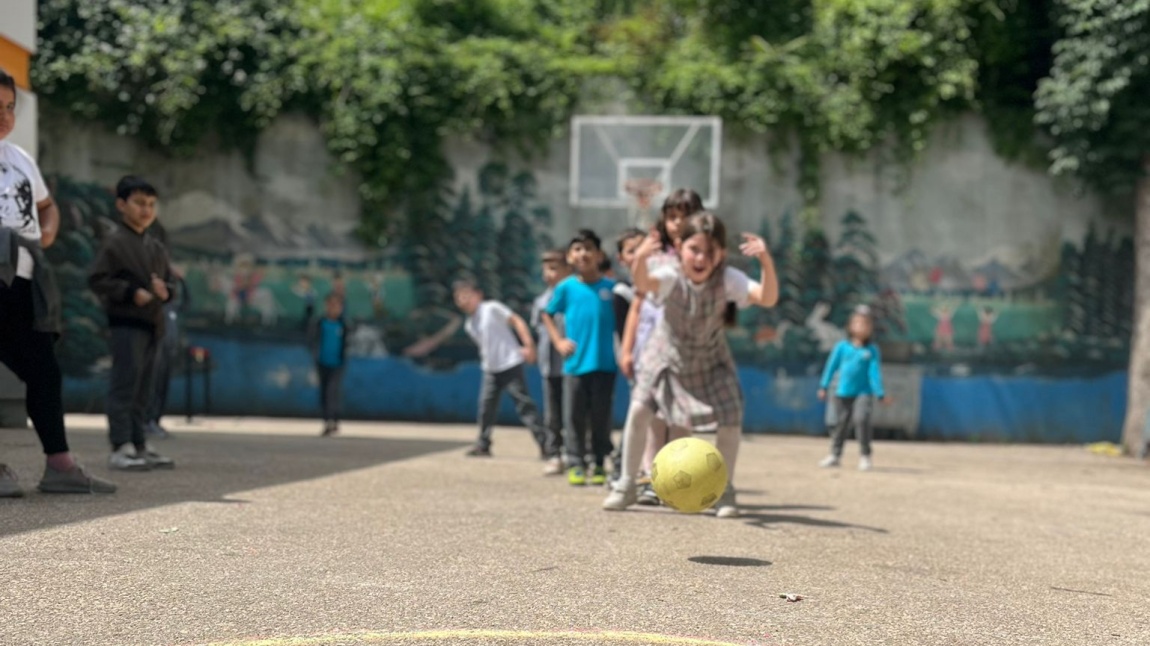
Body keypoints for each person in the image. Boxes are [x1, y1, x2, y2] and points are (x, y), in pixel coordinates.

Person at [603, 213, 778, 517]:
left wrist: (766, 261)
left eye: (710, 252)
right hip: (665, 355)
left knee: (731, 414)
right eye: (694, 249)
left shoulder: (727, 279)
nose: (701, 258)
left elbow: (767, 297)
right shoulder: (670, 274)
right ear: (681, 247)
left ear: (721, 253)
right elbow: (643, 283)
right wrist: (641, 257)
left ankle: (724, 491)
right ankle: (627, 484)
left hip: (709, 359)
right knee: (639, 409)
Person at [0, 68, 117, 496]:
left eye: (10, 107)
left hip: (26, 280)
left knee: (44, 371)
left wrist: (47, 232)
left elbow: (48, 207)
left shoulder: (18, 159)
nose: (5, 117)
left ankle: (60, 465)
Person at [616, 189, 703, 503]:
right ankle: (650, 478)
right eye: (672, 216)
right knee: (652, 416)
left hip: (688, 348)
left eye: (685, 216)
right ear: (664, 220)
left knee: (681, 417)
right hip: (652, 346)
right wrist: (627, 350)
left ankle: (676, 480)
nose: (678, 223)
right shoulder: (655, 257)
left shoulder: (702, 256)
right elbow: (638, 305)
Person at [88, 175, 176, 472]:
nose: (146, 210)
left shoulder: (155, 246)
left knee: (144, 388)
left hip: (153, 325)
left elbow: (170, 284)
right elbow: (98, 279)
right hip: (126, 323)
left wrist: (166, 292)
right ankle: (120, 445)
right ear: (121, 204)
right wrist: (129, 292)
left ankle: (139, 443)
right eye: (139, 203)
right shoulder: (115, 242)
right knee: (125, 384)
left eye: (151, 204)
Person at [542, 229, 619, 486]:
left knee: (600, 417)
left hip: (605, 364)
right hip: (574, 365)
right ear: (569, 256)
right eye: (577, 249)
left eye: (588, 248)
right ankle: (575, 462)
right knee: (573, 417)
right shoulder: (566, 288)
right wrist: (558, 340)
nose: (582, 253)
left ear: (599, 255)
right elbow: (546, 313)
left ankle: (598, 463)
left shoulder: (613, 289)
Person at [454, 279, 546, 458]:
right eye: (458, 298)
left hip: (510, 364)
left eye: (466, 295)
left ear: (478, 295)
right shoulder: (469, 325)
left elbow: (517, 321)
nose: (463, 300)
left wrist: (528, 345)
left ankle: (545, 445)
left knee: (524, 405)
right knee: (486, 408)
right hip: (491, 369)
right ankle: (483, 444)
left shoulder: (491, 308)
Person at [817, 305, 886, 471]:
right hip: (842, 392)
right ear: (850, 326)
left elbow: (874, 372)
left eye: (866, 324)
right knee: (840, 423)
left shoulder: (872, 350)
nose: (862, 327)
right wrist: (823, 386)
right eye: (858, 323)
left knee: (862, 419)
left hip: (864, 392)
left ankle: (865, 456)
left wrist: (879, 392)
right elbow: (831, 367)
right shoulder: (842, 347)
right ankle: (835, 454)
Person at [531, 250, 571, 476]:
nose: (549, 273)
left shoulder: (574, 295)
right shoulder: (541, 301)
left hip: (573, 366)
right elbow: (539, 329)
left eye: (554, 268)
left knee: (574, 412)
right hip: (550, 367)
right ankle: (554, 453)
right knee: (552, 414)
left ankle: (575, 453)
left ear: (568, 270)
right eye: (546, 268)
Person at [309, 292, 349, 437]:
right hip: (322, 362)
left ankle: (335, 420)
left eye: (337, 305)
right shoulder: (320, 323)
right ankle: (326, 421)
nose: (334, 308)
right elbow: (313, 341)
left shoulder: (343, 324)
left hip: (337, 364)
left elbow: (346, 343)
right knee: (324, 393)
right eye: (331, 305)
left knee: (333, 392)